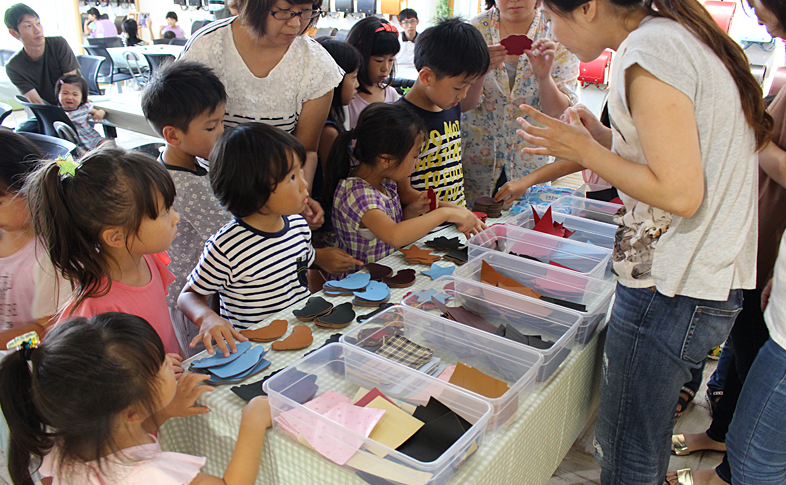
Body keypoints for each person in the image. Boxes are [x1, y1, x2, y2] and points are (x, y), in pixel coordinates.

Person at [514, 0, 772, 479]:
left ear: (588, 8)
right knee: (638, 436)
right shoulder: (671, 36)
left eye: (550, 16)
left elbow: (680, 192)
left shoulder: (649, 52)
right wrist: (607, 141)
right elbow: (670, 161)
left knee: (627, 448)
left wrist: (586, 149)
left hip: (672, 285)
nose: (549, 29)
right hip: (695, 278)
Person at [664, 0, 786, 482]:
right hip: (761, 234)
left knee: (759, 364)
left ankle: (731, 467)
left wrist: (751, 134)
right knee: (743, 349)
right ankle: (721, 435)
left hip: (770, 240)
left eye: (758, 4)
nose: (754, 14)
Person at [0, 312, 273, 485]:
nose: (170, 360)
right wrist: (252, 424)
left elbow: (118, 432)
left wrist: (163, 412)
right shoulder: (151, 475)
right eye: (161, 366)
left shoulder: (65, 446)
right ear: (132, 413)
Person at [178, 123, 362, 357]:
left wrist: (320, 258)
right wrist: (207, 317)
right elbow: (188, 295)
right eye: (292, 177)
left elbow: (295, 261)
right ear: (255, 189)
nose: (305, 184)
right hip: (255, 352)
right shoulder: (226, 247)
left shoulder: (296, 224)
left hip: (300, 338)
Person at [25, 147, 183, 357]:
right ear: (116, 237)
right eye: (165, 212)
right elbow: (107, 381)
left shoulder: (147, 258)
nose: (176, 217)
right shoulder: (97, 309)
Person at [179, 0, 343, 200]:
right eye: (284, 12)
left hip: (273, 196)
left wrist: (300, 199)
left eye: (305, 11)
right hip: (204, 188)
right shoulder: (206, 47)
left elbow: (306, 150)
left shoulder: (316, 63)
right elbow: (181, 132)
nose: (296, 24)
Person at [323, 103, 486, 275]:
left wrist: (410, 212)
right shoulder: (358, 194)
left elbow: (385, 229)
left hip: (384, 275)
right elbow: (394, 235)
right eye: (415, 156)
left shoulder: (385, 182)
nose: (417, 162)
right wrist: (446, 214)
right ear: (386, 160)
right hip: (359, 286)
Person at [141, 61, 230, 358]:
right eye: (210, 126)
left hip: (202, 289)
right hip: (195, 298)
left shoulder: (189, 163)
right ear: (173, 135)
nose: (221, 132)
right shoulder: (182, 185)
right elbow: (231, 230)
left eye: (221, 121)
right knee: (209, 360)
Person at [461, 0, 579, 208]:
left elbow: (560, 113)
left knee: (524, 224)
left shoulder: (558, 32)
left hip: (531, 159)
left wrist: (544, 78)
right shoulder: (473, 32)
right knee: (475, 224)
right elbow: (462, 104)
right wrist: (481, 69)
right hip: (477, 155)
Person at [396, 18, 502, 211]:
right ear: (426, 77)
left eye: (470, 85)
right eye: (458, 87)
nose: (463, 94)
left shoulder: (449, 103)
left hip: (454, 218)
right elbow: (404, 191)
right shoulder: (400, 120)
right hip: (424, 226)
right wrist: (452, 212)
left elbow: (469, 100)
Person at [0, 130, 69, 342]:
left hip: (33, 364)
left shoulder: (52, 257)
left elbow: (47, 332)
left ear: (29, 188)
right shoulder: (6, 232)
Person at [312, 39, 361, 248]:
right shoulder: (328, 130)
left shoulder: (330, 120)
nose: (358, 84)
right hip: (325, 218)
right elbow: (337, 179)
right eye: (354, 77)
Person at [4, 3, 78, 106]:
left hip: (74, 106)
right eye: (28, 26)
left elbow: (72, 85)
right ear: (14, 33)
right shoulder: (13, 67)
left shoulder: (58, 44)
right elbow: (37, 102)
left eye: (38, 23)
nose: (37, 30)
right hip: (48, 111)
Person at [346, 17, 401, 129]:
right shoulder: (348, 97)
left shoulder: (391, 94)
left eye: (391, 60)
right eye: (379, 60)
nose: (385, 68)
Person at [55, 74, 108, 150]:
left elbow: (98, 111)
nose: (69, 97)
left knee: (108, 144)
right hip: (76, 143)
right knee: (82, 154)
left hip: (92, 138)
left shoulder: (84, 108)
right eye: (65, 93)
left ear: (82, 98)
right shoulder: (58, 112)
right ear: (58, 95)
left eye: (75, 94)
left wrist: (100, 112)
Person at [396, 8, 419, 75]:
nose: (410, 26)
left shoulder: (422, 40)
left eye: (412, 21)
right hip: (398, 72)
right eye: (406, 22)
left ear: (417, 22)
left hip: (416, 73)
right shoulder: (396, 39)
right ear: (400, 24)